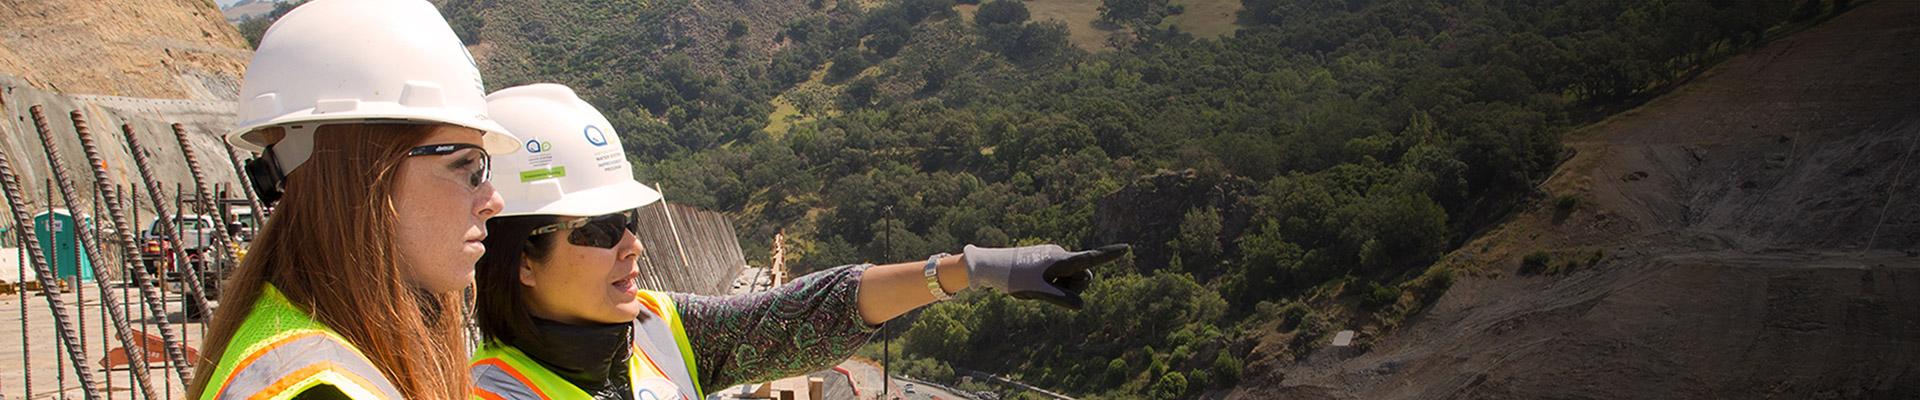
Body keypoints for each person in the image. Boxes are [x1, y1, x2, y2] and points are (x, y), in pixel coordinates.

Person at [469, 84, 1129, 399]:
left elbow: (806, 315)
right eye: (600, 229)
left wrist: (971, 269)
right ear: (522, 257)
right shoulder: (488, 393)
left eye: (632, 223)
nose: (632, 247)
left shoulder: (655, 329)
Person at [187, 0, 522, 398]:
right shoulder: (317, 387)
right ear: (361, 172)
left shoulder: (310, 348)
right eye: (465, 166)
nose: (492, 200)